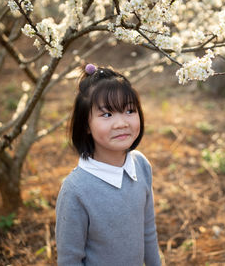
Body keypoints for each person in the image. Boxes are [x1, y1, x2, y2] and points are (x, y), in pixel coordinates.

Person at [55, 64, 162, 266]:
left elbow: (148, 231)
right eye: (107, 114)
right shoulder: (76, 190)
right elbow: (69, 260)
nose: (121, 123)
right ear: (86, 124)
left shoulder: (140, 166)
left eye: (129, 110)